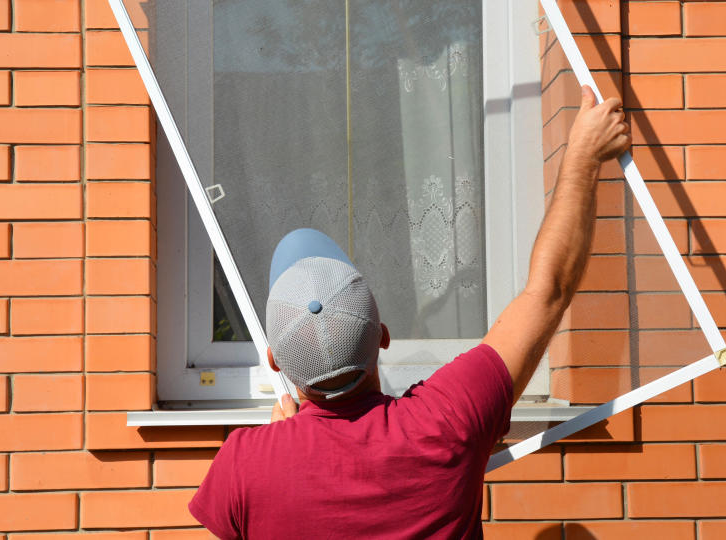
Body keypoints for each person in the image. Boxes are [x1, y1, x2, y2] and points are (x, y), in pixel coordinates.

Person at [188, 86, 630, 539]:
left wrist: (275, 450)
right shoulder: (447, 419)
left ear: (275, 361)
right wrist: (582, 158)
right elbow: (548, 291)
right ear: (382, 335)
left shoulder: (243, 463)